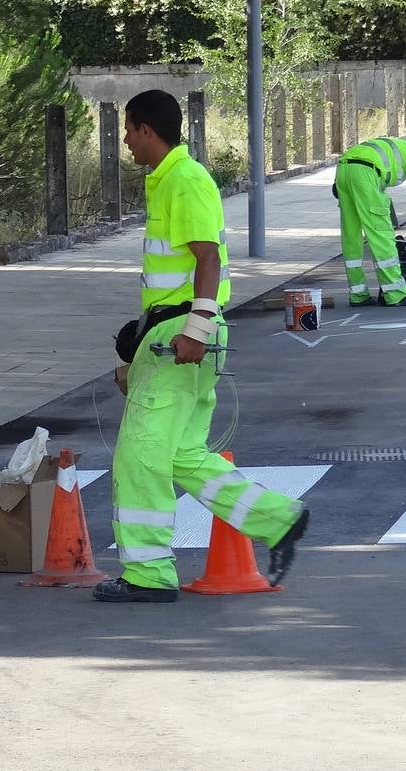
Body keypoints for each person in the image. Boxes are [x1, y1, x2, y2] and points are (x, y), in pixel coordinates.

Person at [96, 89, 309, 605]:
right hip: (171, 333)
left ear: (148, 129)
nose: (124, 140)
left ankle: (148, 574)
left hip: (182, 337)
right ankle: (279, 518)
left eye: (128, 129)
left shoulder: (185, 180)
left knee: (139, 456)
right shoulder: (169, 180)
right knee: (181, 455)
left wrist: (195, 327)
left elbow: (206, 259)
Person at [334, 135, 406, 307]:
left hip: (343, 169)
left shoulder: (399, 147)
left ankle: (358, 295)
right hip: (366, 173)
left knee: (351, 235)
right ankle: (396, 294)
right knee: (381, 234)